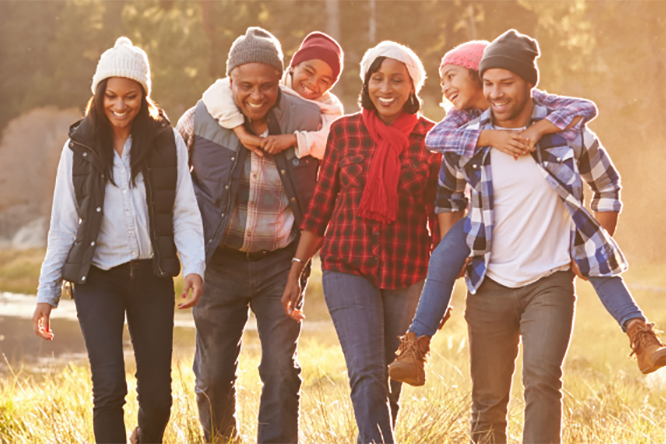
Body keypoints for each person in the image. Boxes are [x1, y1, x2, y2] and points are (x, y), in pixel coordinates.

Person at [389, 37, 666, 387]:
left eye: (452, 76)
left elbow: (583, 108)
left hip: (548, 233)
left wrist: (539, 128)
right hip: (480, 223)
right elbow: (436, 146)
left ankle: (640, 333)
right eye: (491, 83)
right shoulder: (460, 122)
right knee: (443, 256)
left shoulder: (540, 106)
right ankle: (416, 345)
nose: (445, 86)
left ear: (476, 74)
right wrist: (489, 138)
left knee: (595, 255)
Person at [31, 37, 205, 444]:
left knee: (158, 399)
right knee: (109, 390)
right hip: (97, 280)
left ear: (144, 94)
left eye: (131, 95)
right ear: (99, 94)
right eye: (111, 95)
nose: (120, 104)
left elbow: (184, 210)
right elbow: (62, 226)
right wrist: (46, 292)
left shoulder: (166, 141)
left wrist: (194, 266)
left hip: (152, 278)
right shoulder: (79, 146)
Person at [281, 41, 441, 444]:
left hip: (407, 271)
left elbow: (439, 221)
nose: (385, 88)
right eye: (377, 78)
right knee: (367, 372)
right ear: (366, 82)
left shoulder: (431, 139)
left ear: (412, 87)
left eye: (397, 80)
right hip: (346, 266)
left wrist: (438, 293)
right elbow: (321, 207)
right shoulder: (344, 131)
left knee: (392, 376)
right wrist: (296, 270)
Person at [176, 27, 322, 444]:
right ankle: (222, 439)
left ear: (280, 80)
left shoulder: (307, 119)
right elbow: (171, 188)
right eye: (245, 86)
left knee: (279, 368)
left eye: (267, 85)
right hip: (218, 262)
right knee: (214, 372)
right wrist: (186, 259)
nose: (256, 95)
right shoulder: (199, 119)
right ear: (229, 83)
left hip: (281, 262)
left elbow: (331, 181)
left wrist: (300, 265)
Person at [201, 31, 344, 161]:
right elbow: (217, 91)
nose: (313, 83)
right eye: (309, 72)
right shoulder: (271, 83)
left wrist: (294, 139)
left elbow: (335, 141)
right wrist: (241, 132)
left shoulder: (328, 108)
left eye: (324, 81)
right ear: (293, 66)